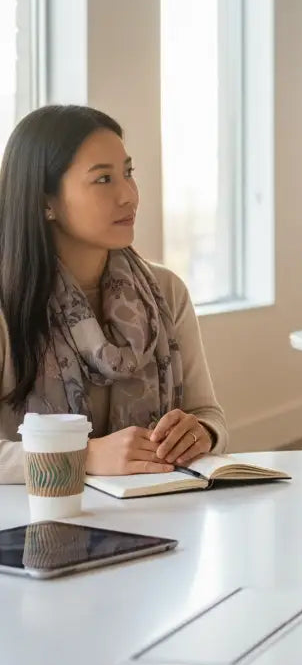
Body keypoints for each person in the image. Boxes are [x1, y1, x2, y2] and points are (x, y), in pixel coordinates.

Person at [0, 106, 227, 484]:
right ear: (45, 201)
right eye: (103, 179)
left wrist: (201, 433)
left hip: (160, 507)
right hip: (39, 514)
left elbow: (207, 413)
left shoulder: (165, 291)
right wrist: (81, 455)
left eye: (128, 173)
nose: (129, 196)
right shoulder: (8, 303)